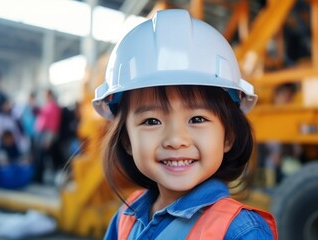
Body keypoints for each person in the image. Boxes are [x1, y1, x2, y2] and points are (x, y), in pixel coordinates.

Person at [92, 10, 277, 239]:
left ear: (228, 136)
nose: (176, 140)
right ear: (127, 140)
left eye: (197, 119)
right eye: (152, 121)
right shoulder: (126, 218)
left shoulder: (240, 232)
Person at [33, 88, 62, 183]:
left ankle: (40, 178)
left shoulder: (54, 106)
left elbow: (54, 124)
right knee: (39, 157)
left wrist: (49, 138)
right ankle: (38, 176)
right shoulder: (46, 105)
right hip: (41, 133)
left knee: (45, 157)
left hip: (47, 134)